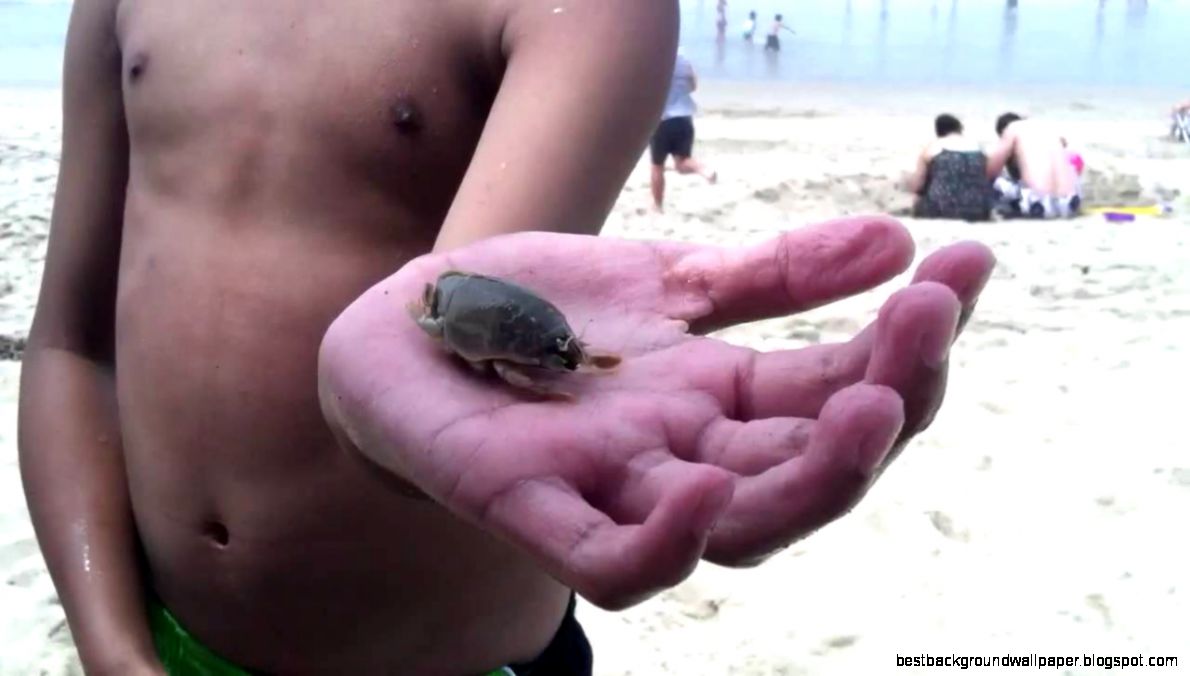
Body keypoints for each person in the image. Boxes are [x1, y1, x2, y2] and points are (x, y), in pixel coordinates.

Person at [18, 1, 994, 675]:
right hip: (152, 636)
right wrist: (111, 646)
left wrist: (415, 404)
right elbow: (70, 343)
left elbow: (442, 368)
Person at [649, 50, 717, 213]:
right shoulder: (683, 58)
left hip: (662, 121)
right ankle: (702, 168)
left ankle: (657, 206)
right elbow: (693, 86)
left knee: (657, 166)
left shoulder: (653, 60)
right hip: (685, 118)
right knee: (682, 163)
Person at [986, 112, 1082, 219]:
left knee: (994, 183)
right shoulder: (1046, 128)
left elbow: (990, 171)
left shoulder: (1011, 129)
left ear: (1002, 132)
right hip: (1071, 203)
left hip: (1040, 205)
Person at [906, 114, 993, 222]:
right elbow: (989, 176)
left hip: (940, 209)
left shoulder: (933, 146)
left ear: (938, 131)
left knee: (917, 197)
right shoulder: (980, 148)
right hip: (979, 210)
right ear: (960, 128)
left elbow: (917, 185)